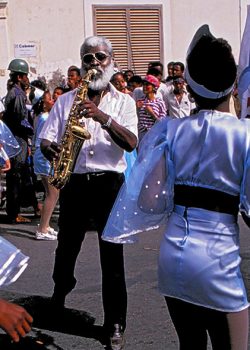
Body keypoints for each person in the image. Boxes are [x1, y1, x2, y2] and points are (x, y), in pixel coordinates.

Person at [102, 25, 250, 350]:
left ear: (192, 87)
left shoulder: (171, 130)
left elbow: (150, 200)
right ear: (232, 84)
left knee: (190, 344)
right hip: (217, 261)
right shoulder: (244, 135)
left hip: (175, 257)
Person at [39, 35, 138, 350]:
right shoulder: (67, 100)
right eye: (88, 59)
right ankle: (59, 294)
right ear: (82, 65)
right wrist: (50, 148)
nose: (94, 64)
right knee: (66, 250)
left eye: (100, 57)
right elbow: (46, 138)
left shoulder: (124, 102)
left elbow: (132, 142)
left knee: (112, 260)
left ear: (111, 61)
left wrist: (102, 117)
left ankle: (115, 324)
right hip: (76, 183)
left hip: (110, 185)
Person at [2, 58, 38, 224]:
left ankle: (20, 209)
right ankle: (13, 213)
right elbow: (19, 120)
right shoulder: (17, 95)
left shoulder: (15, 93)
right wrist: (32, 131)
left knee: (19, 176)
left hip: (17, 139)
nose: (27, 79)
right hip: (17, 139)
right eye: (25, 76)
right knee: (15, 177)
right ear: (19, 77)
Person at [33, 90, 59, 240]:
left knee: (52, 193)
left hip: (42, 155)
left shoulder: (44, 116)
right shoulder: (44, 117)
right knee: (52, 193)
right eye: (51, 100)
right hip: (44, 156)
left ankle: (45, 224)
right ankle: (42, 229)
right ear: (44, 102)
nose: (53, 102)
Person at [137, 74, 166, 146]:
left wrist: (152, 113)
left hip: (155, 135)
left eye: (147, 85)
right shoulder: (140, 101)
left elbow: (163, 123)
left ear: (154, 87)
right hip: (142, 135)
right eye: (144, 85)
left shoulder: (159, 102)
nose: (144, 87)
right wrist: (137, 109)